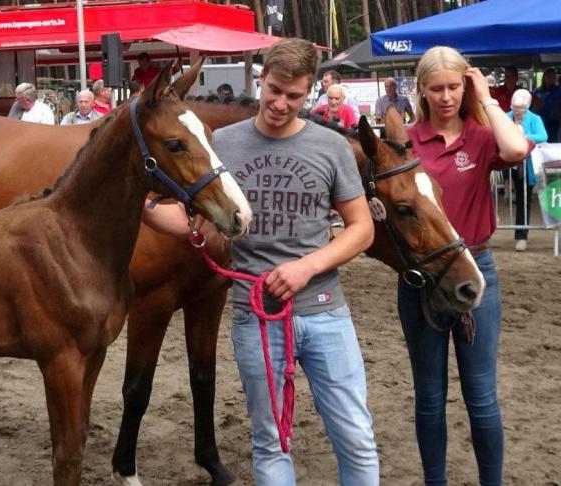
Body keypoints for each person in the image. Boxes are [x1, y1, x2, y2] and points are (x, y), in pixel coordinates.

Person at [142, 37, 379, 486]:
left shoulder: (331, 147)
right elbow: (193, 220)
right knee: (270, 442)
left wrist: (306, 267)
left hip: (327, 311)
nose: (280, 103)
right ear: (261, 80)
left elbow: (362, 228)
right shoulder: (223, 144)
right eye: (273, 90)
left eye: (293, 96)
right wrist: (137, 207)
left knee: (355, 436)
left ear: (309, 91)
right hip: (257, 317)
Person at [403, 46, 531, 486]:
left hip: (477, 270)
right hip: (421, 279)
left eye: (454, 86)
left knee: (481, 397)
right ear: (420, 90)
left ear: (466, 86)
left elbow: (516, 149)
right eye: (436, 88)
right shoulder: (405, 140)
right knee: (430, 398)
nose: (445, 96)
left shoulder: (480, 135)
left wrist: (487, 97)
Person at [507, 89, 548, 252]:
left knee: (524, 200)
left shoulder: (535, 118)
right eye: (515, 107)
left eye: (521, 109)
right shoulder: (505, 116)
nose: (517, 111)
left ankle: (521, 235)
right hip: (505, 162)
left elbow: (543, 136)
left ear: (528, 107)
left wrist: (523, 136)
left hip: (525, 165)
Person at [532, 67, 561, 142]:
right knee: (539, 141)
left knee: (552, 141)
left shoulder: (559, 90)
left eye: (553, 77)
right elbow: (532, 106)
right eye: (548, 76)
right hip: (539, 121)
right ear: (544, 77)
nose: (551, 79)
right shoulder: (536, 91)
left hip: (553, 121)